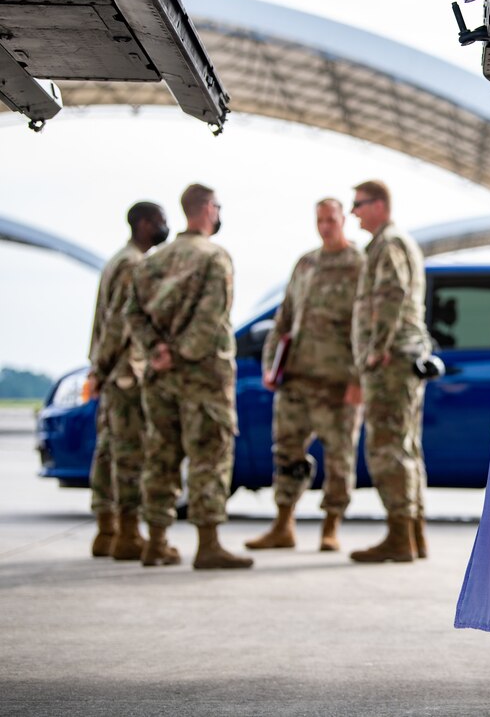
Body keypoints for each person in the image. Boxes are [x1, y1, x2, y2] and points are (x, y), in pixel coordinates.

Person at [124, 183, 253, 570]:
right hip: (203, 378)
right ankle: (208, 544)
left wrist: (157, 350)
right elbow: (212, 317)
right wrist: (181, 354)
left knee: (160, 457)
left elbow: (132, 314)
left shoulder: (153, 261)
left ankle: (156, 542)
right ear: (208, 208)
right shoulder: (214, 257)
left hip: (161, 378)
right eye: (217, 207)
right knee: (208, 458)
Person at [245, 199, 364, 552]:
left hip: (336, 382)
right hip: (296, 379)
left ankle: (331, 526)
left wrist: (358, 378)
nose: (325, 226)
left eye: (331, 220)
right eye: (320, 220)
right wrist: (271, 365)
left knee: (339, 456)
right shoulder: (306, 263)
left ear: (343, 220)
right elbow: (284, 318)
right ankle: (283, 524)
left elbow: (365, 326)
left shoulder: (359, 264)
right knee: (286, 451)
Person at [348, 180, 431, 563]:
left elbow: (392, 293)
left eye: (359, 204)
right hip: (403, 356)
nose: (354, 212)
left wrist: (376, 349)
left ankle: (400, 537)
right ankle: (413, 535)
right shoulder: (396, 242)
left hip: (391, 359)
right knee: (405, 445)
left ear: (379, 205)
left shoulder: (388, 244)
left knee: (386, 447)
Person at [87, 202, 169, 559]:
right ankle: (127, 533)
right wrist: (102, 366)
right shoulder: (133, 265)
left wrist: (97, 366)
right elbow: (119, 323)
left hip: (114, 372)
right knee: (129, 454)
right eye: (161, 221)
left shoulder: (117, 260)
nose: (165, 227)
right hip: (125, 373)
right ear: (144, 224)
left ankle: (107, 530)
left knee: (109, 450)